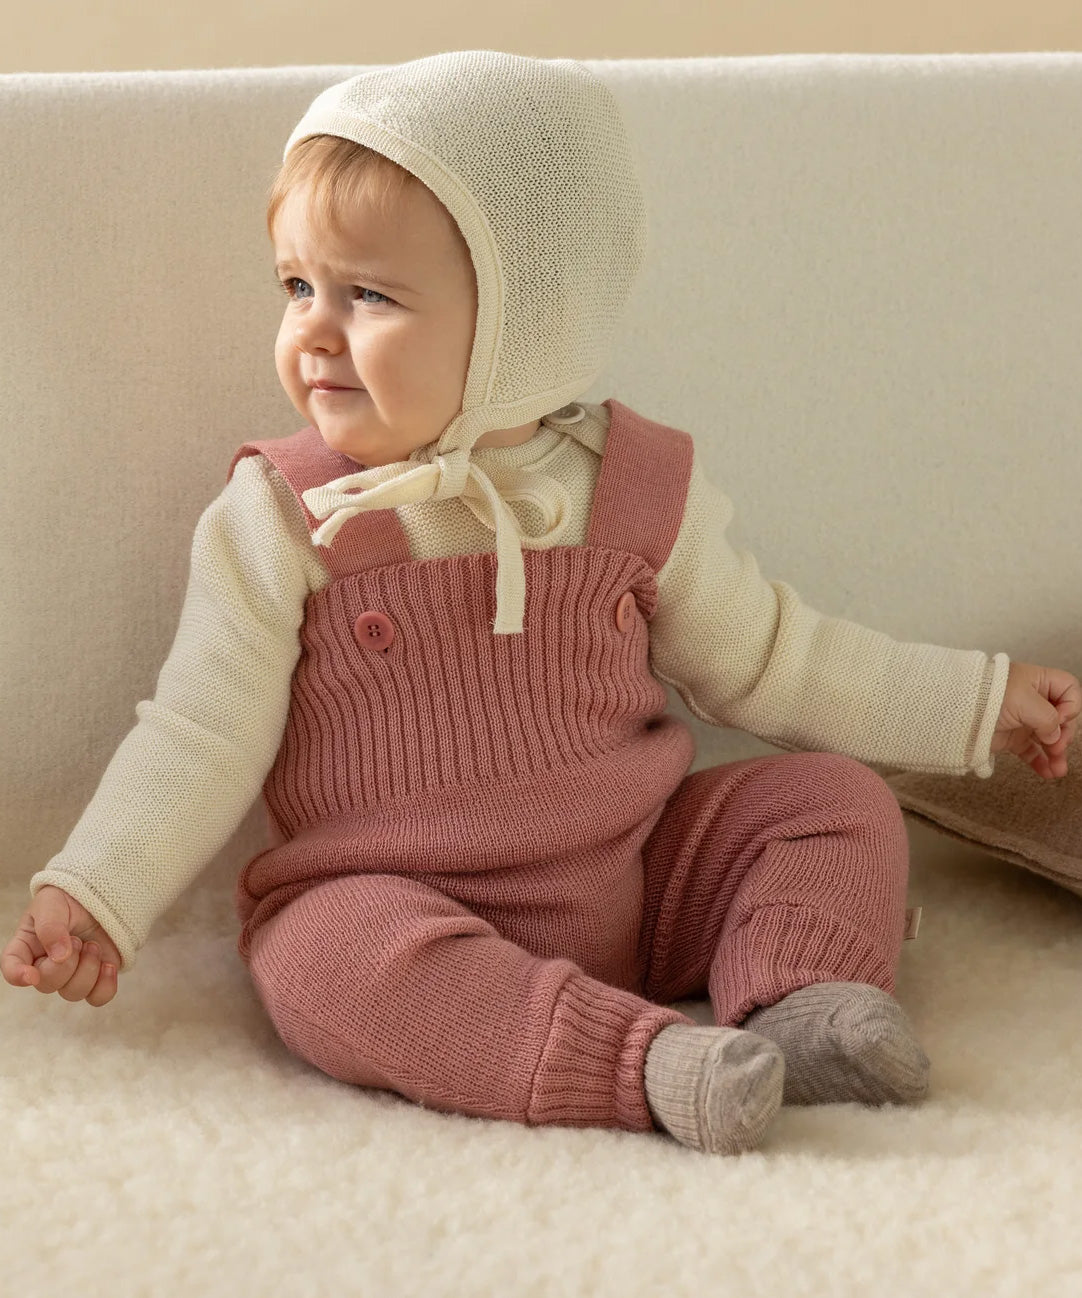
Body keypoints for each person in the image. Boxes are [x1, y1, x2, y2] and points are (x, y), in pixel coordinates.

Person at [3, 50, 1079, 1157]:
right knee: (319, 955)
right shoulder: (282, 516)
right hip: (400, 904)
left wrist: (977, 702)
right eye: (297, 286)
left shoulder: (630, 489)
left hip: (636, 878)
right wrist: (96, 890)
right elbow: (200, 732)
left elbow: (772, 660)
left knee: (832, 800)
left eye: (368, 294)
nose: (315, 331)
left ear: (528, 314)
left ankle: (802, 1006)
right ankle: (648, 1066)